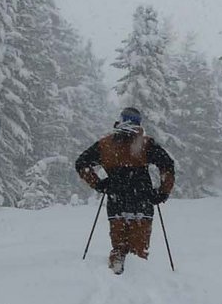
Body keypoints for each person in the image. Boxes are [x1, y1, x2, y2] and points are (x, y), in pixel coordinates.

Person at [75, 107, 177, 274]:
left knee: (119, 246)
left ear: (120, 120)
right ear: (138, 123)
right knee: (139, 250)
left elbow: (81, 163)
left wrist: (100, 184)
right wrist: (162, 192)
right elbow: (167, 165)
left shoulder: (106, 144)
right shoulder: (145, 144)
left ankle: (117, 275)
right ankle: (139, 282)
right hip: (143, 202)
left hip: (117, 202)